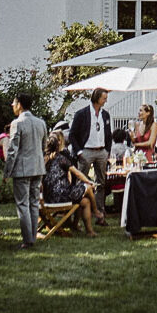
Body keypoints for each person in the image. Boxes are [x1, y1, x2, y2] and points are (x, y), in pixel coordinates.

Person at [5, 93, 47, 250]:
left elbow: (12, 150)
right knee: (34, 203)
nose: (12, 105)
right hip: (38, 167)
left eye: (14, 103)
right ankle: (32, 237)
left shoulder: (17, 123)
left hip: (23, 169)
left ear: (20, 105)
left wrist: (7, 171)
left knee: (23, 204)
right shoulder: (41, 123)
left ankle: (27, 240)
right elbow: (44, 147)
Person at [67, 87, 112, 225]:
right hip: (86, 151)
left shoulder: (105, 115)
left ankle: (100, 214)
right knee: (81, 184)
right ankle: (78, 218)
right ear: (97, 98)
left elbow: (108, 134)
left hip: (101, 151)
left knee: (101, 183)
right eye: (104, 98)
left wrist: (107, 151)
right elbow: (72, 134)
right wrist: (79, 152)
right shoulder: (82, 114)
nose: (106, 100)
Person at [42, 132, 97, 237]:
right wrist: (89, 181)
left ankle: (89, 231)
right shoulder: (61, 158)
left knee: (85, 202)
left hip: (47, 197)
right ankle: (96, 212)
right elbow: (77, 173)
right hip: (62, 196)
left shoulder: (43, 159)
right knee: (88, 187)